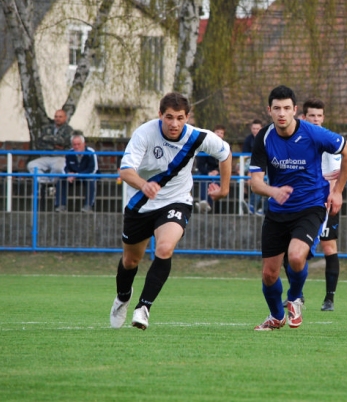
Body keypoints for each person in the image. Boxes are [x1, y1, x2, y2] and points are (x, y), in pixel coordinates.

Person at [109, 92, 231, 330]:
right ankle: (123, 297)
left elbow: (225, 153)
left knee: (164, 248)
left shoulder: (197, 137)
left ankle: (143, 308)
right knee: (131, 260)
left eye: (180, 118)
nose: (174, 123)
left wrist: (224, 189)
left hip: (176, 202)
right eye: (169, 117)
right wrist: (144, 184)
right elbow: (125, 171)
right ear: (160, 115)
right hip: (140, 203)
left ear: (187, 117)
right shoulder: (144, 133)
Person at [250, 85, 347, 331]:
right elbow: (255, 183)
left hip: (311, 206)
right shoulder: (264, 137)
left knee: (297, 256)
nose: (282, 113)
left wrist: (337, 190)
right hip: (277, 211)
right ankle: (276, 316)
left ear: (296, 110)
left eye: (287, 108)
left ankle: (295, 298)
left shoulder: (313, 133)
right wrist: (273, 191)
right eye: (277, 108)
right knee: (268, 274)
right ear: (269, 110)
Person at [302, 98, 343, 311]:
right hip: (301, 202)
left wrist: (334, 194)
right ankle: (296, 295)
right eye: (312, 116)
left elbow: (335, 174)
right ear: (304, 117)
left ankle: (329, 299)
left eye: (319, 116)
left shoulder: (328, 140)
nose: (316, 120)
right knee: (295, 248)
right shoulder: (298, 139)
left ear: (323, 118)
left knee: (328, 247)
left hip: (323, 201)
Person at [27, 109, 73, 187]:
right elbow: (40, 142)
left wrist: (48, 139)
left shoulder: (69, 130)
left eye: (60, 117)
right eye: (56, 116)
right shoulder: (47, 128)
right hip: (47, 156)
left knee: (58, 168)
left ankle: (53, 184)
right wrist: (55, 145)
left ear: (65, 118)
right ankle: (46, 182)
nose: (57, 118)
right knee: (31, 165)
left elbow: (65, 142)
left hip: (60, 156)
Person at [55, 132, 98, 213]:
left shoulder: (91, 152)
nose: (76, 147)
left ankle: (88, 206)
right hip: (72, 177)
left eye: (79, 144)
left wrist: (77, 175)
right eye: (74, 145)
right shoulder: (69, 153)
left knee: (91, 179)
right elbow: (65, 168)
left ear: (84, 144)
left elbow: (93, 169)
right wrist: (68, 174)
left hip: (86, 176)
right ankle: (61, 205)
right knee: (61, 180)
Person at [194, 125, 226, 213]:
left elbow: (226, 164)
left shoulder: (226, 147)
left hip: (218, 172)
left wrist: (217, 171)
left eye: (221, 133)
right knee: (204, 178)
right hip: (206, 171)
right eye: (217, 132)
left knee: (216, 179)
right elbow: (200, 165)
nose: (219, 134)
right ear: (213, 133)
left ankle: (206, 203)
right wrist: (208, 172)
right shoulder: (206, 146)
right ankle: (205, 202)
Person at [242, 119, 264, 215]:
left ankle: (253, 206)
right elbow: (245, 155)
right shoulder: (248, 139)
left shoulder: (265, 138)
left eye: (257, 129)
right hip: (250, 165)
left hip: (263, 166)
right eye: (254, 128)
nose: (255, 131)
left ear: (261, 129)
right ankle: (252, 206)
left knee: (259, 182)